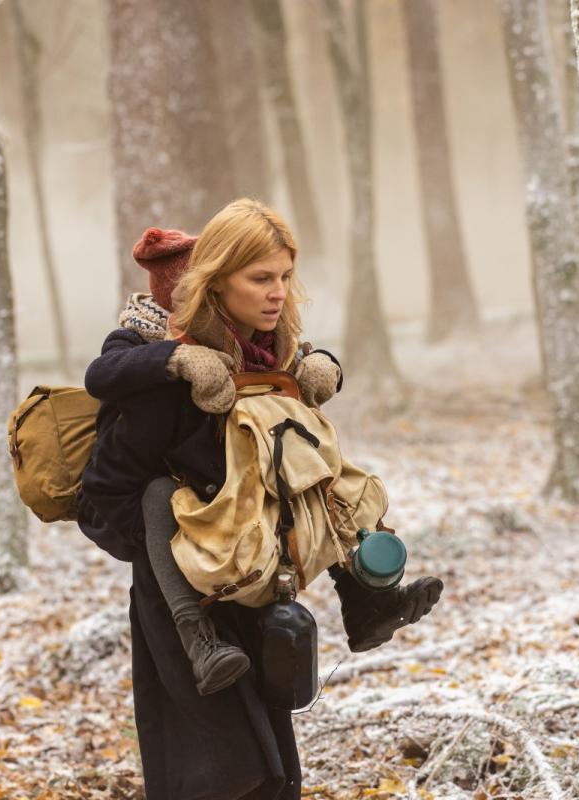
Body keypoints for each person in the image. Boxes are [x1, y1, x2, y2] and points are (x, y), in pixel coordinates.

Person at [77, 199, 443, 800]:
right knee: (226, 776)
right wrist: (181, 550)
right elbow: (104, 495)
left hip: (254, 589)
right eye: (260, 278)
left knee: (274, 774)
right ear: (217, 278)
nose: (278, 293)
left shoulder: (272, 362)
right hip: (186, 608)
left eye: (284, 277)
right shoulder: (169, 378)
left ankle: (366, 592)